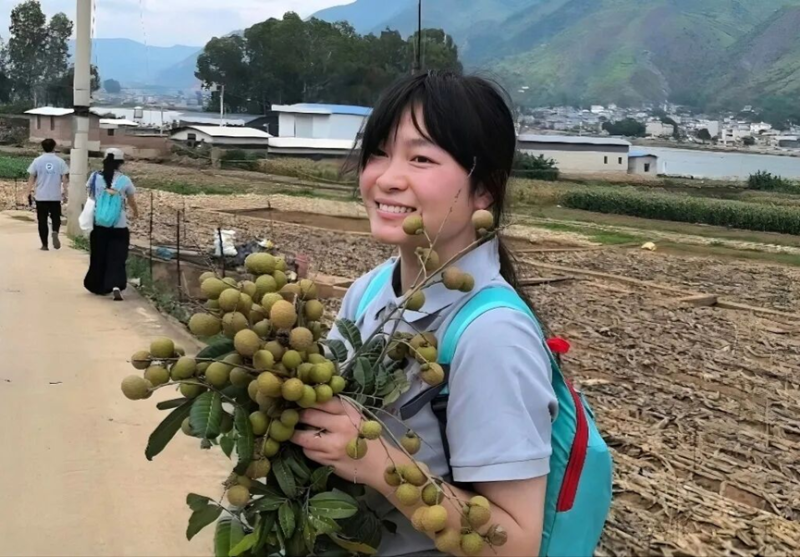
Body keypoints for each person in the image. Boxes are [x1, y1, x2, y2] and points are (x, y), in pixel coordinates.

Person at [289, 72, 559, 556]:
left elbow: (516, 544)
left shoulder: (493, 335)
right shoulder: (370, 290)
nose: (386, 178)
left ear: (485, 190)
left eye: (420, 158)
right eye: (378, 152)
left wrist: (381, 464)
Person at [83, 148, 139, 301]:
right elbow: (131, 200)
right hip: (119, 225)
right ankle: (115, 284)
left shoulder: (95, 177)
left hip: (99, 222)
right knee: (117, 255)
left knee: (99, 255)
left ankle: (98, 285)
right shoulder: (125, 180)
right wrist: (135, 212)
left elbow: (91, 197)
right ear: (120, 162)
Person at [27, 138, 69, 251]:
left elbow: (31, 178)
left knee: (42, 220)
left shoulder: (37, 161)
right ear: (54, 147)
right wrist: (66, 193)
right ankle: (55, 231)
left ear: (42, 147)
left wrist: (27, 192)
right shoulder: (60, 161)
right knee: (56, 217)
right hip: (55, 196)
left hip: (41, 196)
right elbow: (64, 179)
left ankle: (44, 245)